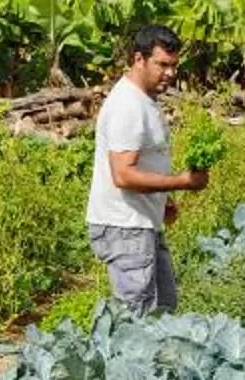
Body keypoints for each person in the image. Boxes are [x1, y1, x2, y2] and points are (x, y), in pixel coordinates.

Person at [86, 24, 207, 315]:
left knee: (163, 308)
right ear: (139, 59)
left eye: (173, 65)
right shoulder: (128, 105)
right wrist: (182, 182)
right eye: (162, 64)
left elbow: (142, 163)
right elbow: (124, 175)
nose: (170, 73)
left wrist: (162, 198)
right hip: (125, 226)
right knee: (137, 315)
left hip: (140, 221)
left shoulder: (143, 100)